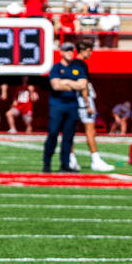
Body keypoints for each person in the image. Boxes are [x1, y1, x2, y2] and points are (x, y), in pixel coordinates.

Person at [68, 40, 116, 172]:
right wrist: (87, 103)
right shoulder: (80, 64)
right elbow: (83, 84)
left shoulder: (71, 63)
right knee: (90, 130)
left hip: (72, 100)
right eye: (89, 50)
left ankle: (71, 159)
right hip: (82, 101)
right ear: (83, 50)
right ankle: (95, 159)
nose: (91, 53)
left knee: (70, 130)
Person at [41, 42, 86, 173]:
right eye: (67, 50)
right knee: (53, 133)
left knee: (68, 137)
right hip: (57, 105)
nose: (70, 52)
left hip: (72, 105)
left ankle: (65, 164)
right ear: (61, 52)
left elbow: (83, 85)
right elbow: (56, 86)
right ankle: (47, 162)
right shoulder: (56, 68)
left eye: (72, 50)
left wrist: (65, 82)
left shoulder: (78, 68)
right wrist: (73, 84)